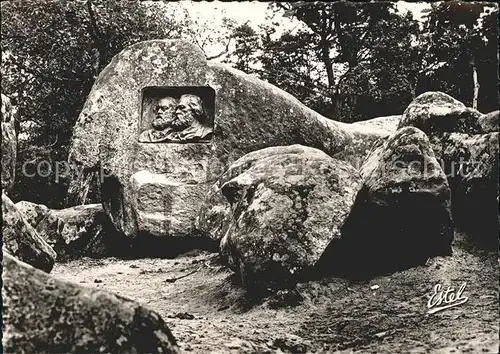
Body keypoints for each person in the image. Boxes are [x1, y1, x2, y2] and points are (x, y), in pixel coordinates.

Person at [139, 94, 212, 143]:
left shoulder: (206, 132)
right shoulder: (174, 134)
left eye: (182, 108)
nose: (177, 112)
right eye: (157, 109)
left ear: (195, 110)